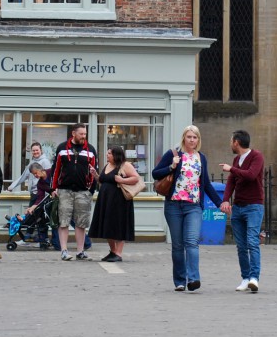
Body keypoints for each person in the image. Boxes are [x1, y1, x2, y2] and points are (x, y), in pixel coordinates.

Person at [152, 124, 223, 292]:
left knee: (191, 242)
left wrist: (220, 203)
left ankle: (193, 278)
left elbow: (205, 184)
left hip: (193, 206)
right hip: (174, 205)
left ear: (198, 140)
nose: (192, 140)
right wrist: (171, 166)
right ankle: (179, 281)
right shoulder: (174, 154)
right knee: (178, 245)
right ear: (184, 137)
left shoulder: (201, 158)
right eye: (189, 136)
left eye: (195, 137)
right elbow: (156, 174)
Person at [220, 129, 265, 292]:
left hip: (254, 206)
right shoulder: (237, 159)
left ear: (236, 142)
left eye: (231, 141)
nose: (230, 144)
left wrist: (231, 169)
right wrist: (225, 200)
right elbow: (231, 182)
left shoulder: (257, 156)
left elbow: (251, 175)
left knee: (252, 242)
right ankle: (245, 278)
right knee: (241, 245)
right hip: (238, 207)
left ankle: (254, 278)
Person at [52, 122, 98, 261]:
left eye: (85, 134)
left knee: (81, 222)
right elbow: (56, 169)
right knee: (64, 221)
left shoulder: (90, 149)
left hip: (83, 191)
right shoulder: (61, 148)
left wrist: (91, 190)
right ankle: (64, 251)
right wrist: (53, 188)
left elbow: (94, 170)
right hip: (64, 190)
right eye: (81, 134)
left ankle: (80, 251)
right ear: (73, 133)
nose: (84, 136)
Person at [90, 145, 139, 262]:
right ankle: (112, 251)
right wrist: (96, 175)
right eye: (107, 153)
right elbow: (103, 181)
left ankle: (118, 253)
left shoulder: (125, 165)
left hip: (120, 201)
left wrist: (122, 180)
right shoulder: (107, 165)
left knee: (119, 225)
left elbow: (136, 178)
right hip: (106, 200)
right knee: (108, 225)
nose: (107, 155)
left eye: (109, 153)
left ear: (116, 155)